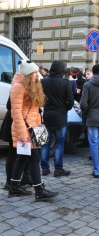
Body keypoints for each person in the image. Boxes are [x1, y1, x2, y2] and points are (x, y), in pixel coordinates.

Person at [9, 59, 58, 200]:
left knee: (22, 158)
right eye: (35, 72)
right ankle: (39, 191)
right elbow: (16, 113)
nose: (38, 75)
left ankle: (14, 187)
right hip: (25, 130)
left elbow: (34, 111)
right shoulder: (18, 87)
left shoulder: (30, 86)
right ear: (27, 74)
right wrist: (23, 134)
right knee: (34, 159)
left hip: (33, 129)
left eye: (37, 72)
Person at [40, 60, 74, 177]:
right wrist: (65, 108)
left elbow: (40, 99)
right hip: (60, 117)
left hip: (47, 115)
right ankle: (58, 169)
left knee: (45, 143)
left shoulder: (43, 82)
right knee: (59, 143)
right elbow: (71, 101)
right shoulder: (65, 83)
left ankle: (44, 168)